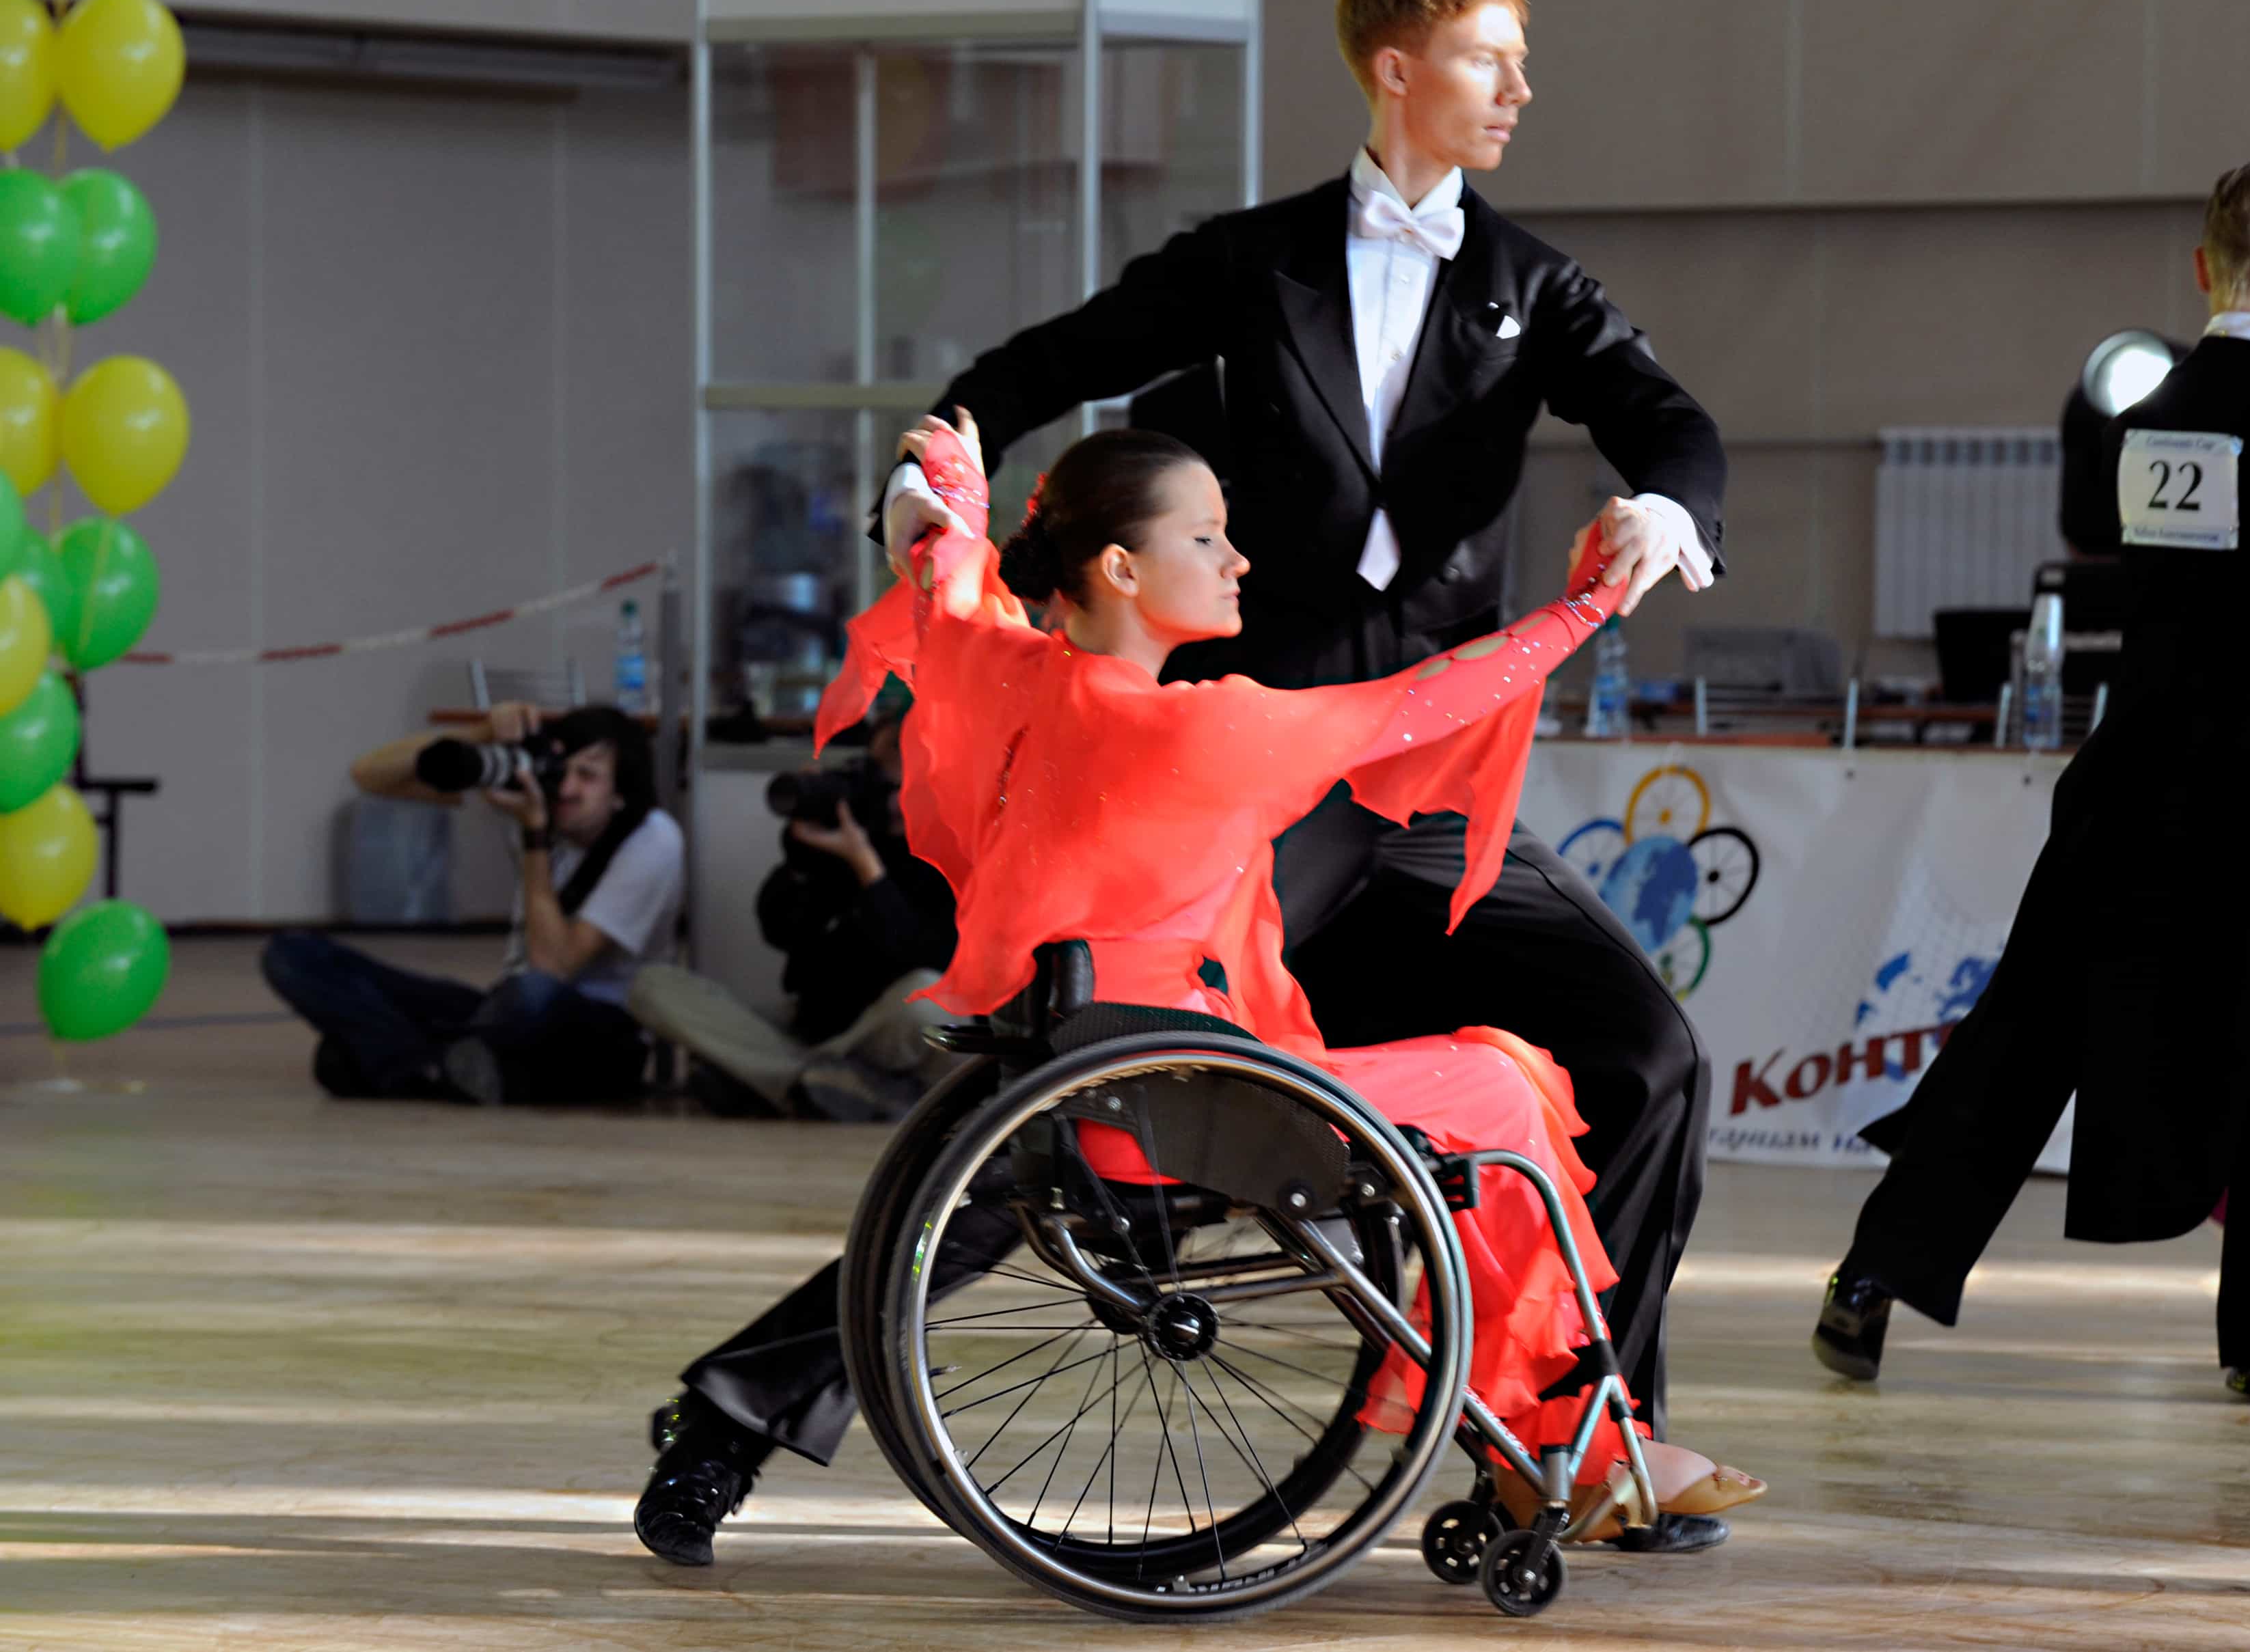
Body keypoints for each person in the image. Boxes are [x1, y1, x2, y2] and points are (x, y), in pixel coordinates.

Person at [877, 0, 1725, 1479]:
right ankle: (763, 1398)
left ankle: (1589, 1434)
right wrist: (935, 464)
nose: (1519, 89)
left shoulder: (1534, 287)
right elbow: (1050, 362)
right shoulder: (1249, 262)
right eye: (1488, 59)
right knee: (1071, 1122)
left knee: (1651, 1056)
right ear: (1393, 70)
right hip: (1252, 787)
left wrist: (1664, 509)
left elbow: (1665, 421)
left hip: (1428, 799)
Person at [633, 422, 1764, 1567]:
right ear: (1120, 567)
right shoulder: (1207, 724)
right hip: (1183, 1098)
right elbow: (1429, 698)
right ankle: (1566, 1437)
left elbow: (954, 595)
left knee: (966, 1218)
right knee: (1509, 1086)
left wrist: (949, 512)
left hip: (1068, 1072)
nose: (1239, 561)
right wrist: (1585, 605)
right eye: (1209, 536)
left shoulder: (1018, 673)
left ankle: (722, 1424)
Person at [1810, 157, 2250, 1409]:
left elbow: (2142, 536)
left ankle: (1872, 1275)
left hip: (2129, 772)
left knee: (2027, 1027)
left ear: (2200, 267)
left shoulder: (2138, 417)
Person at [261, 702, 683, 1106]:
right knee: (292, 955)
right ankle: (442, 1069)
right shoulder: (539, 805)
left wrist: (534, 837)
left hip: (594, 1037)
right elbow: (370, 777)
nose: (566, 788)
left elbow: (554, 968)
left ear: (620, 792)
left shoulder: (650, 838)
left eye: (587, 776)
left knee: (530, 995)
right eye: (561, 770)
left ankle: (416, 1063)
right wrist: (481, 734)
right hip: (502, 1015)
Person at [634, 689, 965, 1122]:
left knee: (929, 1004)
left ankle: (779, 1082)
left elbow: (920, 959)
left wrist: (868, 869)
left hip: (886, 1029)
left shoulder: (958, 852)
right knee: (655, 986)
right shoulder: (845, 829)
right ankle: (822, 1083)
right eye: (884, 770)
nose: (894, 792)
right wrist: (801, 856)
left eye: (907, 777)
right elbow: (779, 928)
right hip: (807, 1030)